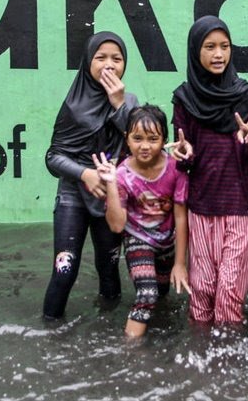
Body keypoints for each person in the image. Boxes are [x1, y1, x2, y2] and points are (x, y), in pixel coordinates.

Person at [171, 15, 248, 325]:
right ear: (195, 51)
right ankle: (199, 370)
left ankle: (228, 371)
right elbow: (183, 158)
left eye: (224, 46)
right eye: (210, 47)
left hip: (239, 209)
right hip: (200, 210)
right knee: (201, 294)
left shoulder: (246, 96)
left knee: (228, 295)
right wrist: (184, 155)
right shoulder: (184, 99)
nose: (219, 54)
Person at [41, 31, 138, 321]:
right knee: (64, 271)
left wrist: (119, 103)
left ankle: (108, 336)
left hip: (109, 197)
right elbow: (52, 157)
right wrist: (86, 174)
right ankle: (50, 333)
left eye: (116, 59)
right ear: (87, 62)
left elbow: (137, 144)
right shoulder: (73, 105)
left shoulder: (130, 102)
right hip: (73, 195)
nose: (109, 65)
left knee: (108, 269)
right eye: (101, 58)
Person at [93, 105, 193, 339]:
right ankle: (128, 353)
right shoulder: (121, 175)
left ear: (164, 141)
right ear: (127, 139)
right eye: (137, 139)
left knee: (160, 293)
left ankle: (158, 337)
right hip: (138, 239)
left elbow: (180, 216)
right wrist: (110, 185)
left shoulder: (175, 169)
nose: (145, 146)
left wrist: (180, 263)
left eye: (153, 139)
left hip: (168, 241)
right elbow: (117, 226)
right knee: (146, 295)